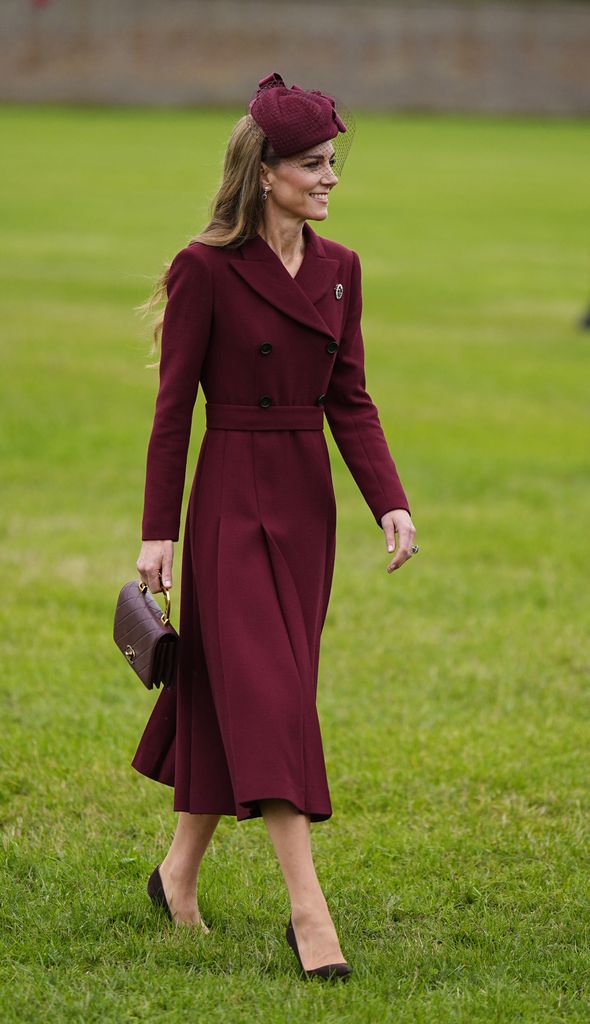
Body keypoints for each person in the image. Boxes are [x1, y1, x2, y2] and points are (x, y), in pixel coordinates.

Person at [132, 71, 418, 981]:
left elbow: (349, 397)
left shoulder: (343, 270)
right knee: (276, 700)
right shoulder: (204, 269)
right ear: (267, 172)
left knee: (242, 690)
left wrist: (391, 501)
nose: (330, 178)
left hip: (306, 507)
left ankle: (177, 874)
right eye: (314, 164)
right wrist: (158, 532)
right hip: (227, 499)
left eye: (334, 162)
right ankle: (310, 914)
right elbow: (173, 411)